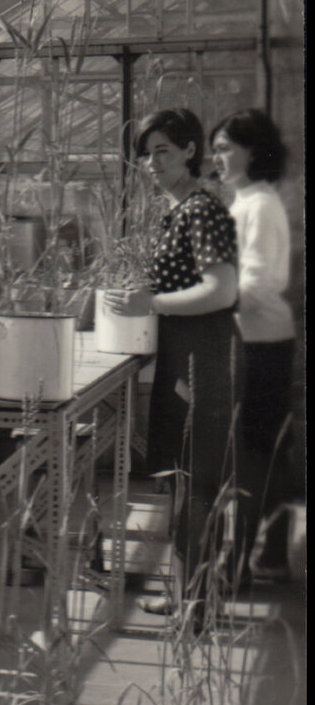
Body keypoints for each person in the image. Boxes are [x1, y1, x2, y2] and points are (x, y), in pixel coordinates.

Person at [103, 108, 241, 614]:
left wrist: (152, 303)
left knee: (196, 479)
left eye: (162, 150)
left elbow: (221, 290)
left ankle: (196, 607)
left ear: (189, 150)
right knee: (187, 479)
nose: (151, 162)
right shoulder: (181, 211)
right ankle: (193, 596)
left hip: (202, 356)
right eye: (146, 153)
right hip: (185, 352)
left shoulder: (201, 210)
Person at [210, 108, 296, 582]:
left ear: (253, 151)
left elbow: (263, 281)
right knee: (268, 448)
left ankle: (234, 564)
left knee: (250, 454)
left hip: (259, 342)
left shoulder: (258, 205)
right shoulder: (247, 202)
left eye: (225, 148)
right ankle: (273, 553)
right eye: (215, 149)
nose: (216, 158)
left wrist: (216, 299)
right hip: (263, 338)